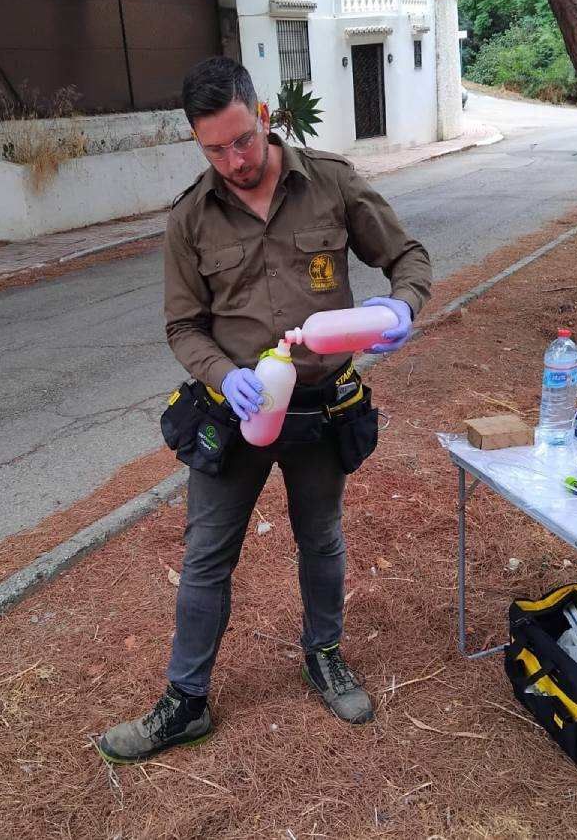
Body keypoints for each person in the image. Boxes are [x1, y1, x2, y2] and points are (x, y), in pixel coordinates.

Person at [97, 56, 431, 764]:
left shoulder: (331, 184)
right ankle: (185, 702)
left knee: (322, 539)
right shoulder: (190, 218)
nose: (234, 159)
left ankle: (326, 657)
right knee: (206, 557)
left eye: (242, 139)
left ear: (265, 117)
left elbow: (407, 257)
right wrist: (224, 376)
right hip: (237, 415)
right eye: (214, 148)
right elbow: (183, 326)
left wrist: (401, 305)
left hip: (320, 411)